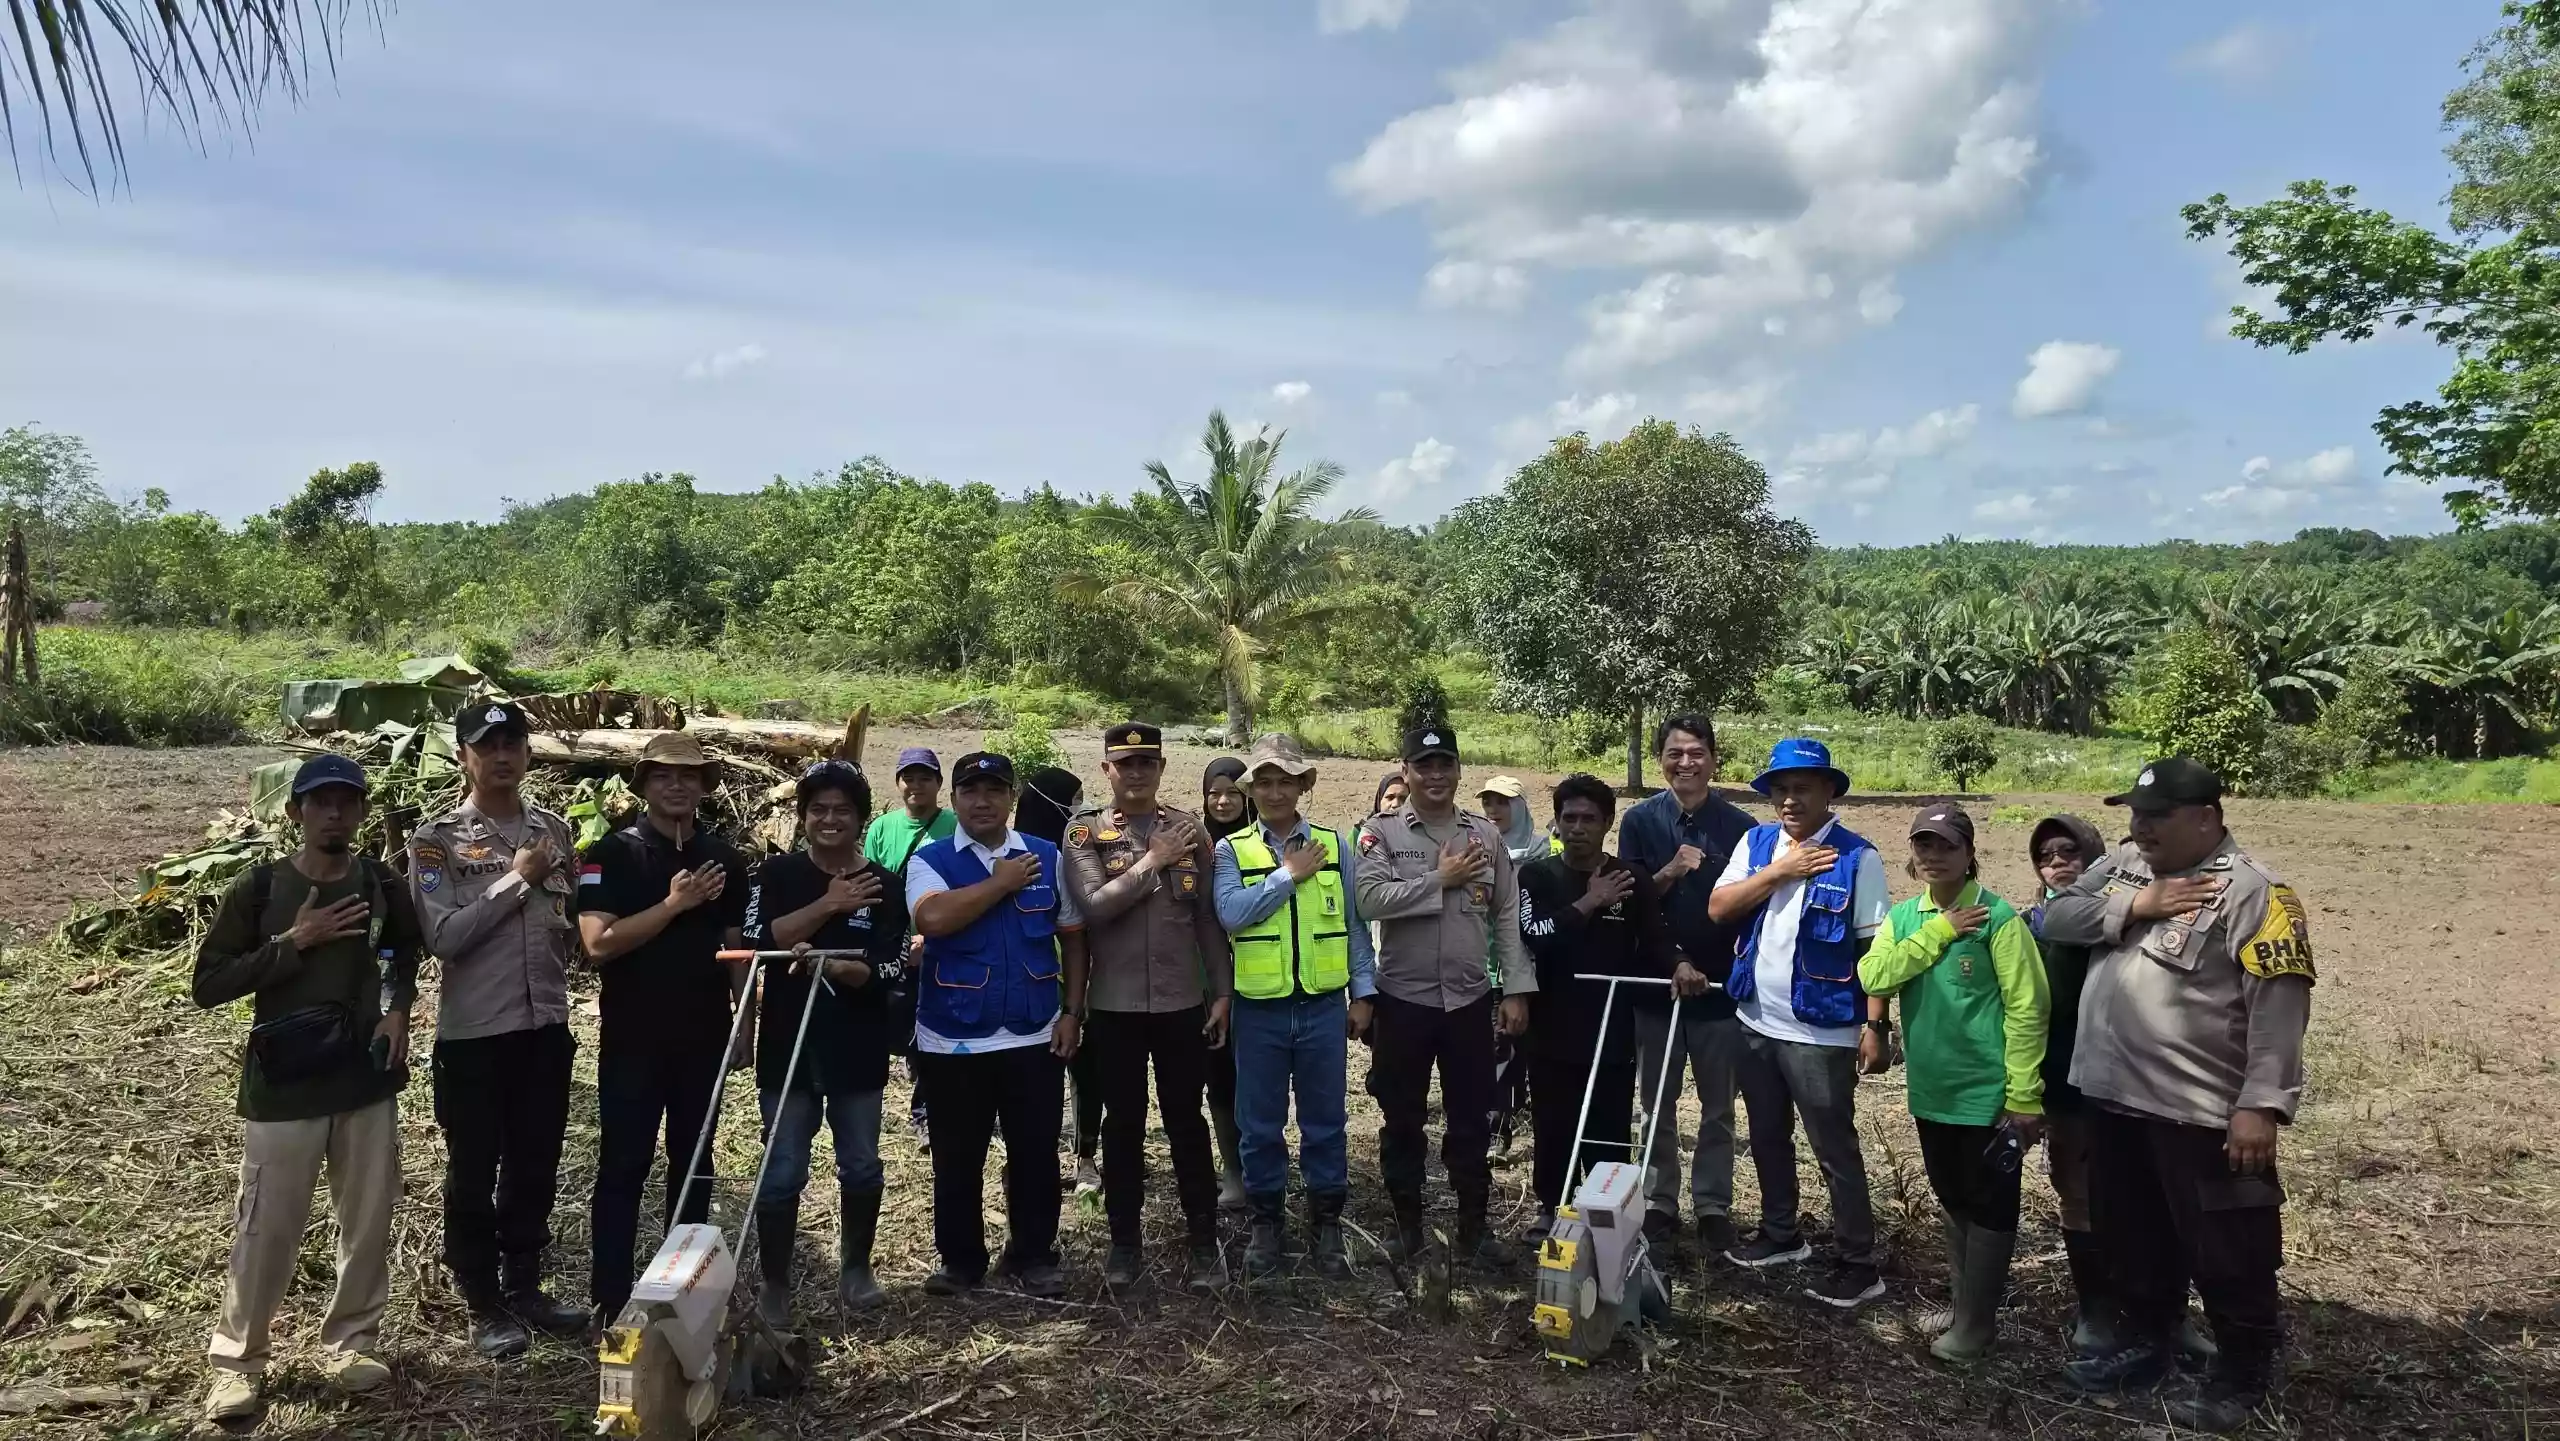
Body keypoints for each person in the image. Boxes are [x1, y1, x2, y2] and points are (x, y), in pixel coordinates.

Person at [2040, 758, 2313, 1432]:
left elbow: (2279, 1003)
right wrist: (2137, 905)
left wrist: (2261, 1102)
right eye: (2135, 814)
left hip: (2200, 1110)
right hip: (2113, 1097)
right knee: (2131, 1235)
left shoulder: (2254, 892)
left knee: (2230, 1249)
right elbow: (2057, 916)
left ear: (2206, 817)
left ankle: (2242, 1372)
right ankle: (2148, 1342)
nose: (2139, 827)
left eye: (2156, 816)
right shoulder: (2127, 865)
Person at [193, 755, 420, 1422]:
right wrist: (294, 941)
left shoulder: (381, 880)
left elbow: (403, 951)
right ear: (295, 812)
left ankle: (352, 1341)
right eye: (320, 802)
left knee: (368, 1219)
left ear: (359, 811)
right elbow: (208, 982)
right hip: (285, 1087)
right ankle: (238, 1360)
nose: (335, 813)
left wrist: (398, 1007)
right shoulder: (261, 888)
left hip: (366, 1079)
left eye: (347, 802)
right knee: (265, 1227)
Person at [409, 700, 589, 1359]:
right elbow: (442, 936)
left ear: (528, 752)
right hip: (476, 1036)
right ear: (464, 755)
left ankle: (525, 1285)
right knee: (473, 1168)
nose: (502, 754)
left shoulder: (555, 831)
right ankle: (482, 1298)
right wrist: (515, 880)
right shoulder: (437, 839)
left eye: (513, 741)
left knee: (535, 1164)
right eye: (487, 745)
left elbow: (564, 919)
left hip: (544, 1026)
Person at [1857, 804, 2049, 1362]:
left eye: (1946, 846)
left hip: (1987, 1092)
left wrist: (2023, 1096)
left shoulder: (1997, 918)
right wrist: (1940, 930)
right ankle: (1968, 1310)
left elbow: (2028, 1007)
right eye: (1925, 845)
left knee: (1988, 1204)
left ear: (1970, 854)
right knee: (1952, 1197)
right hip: (1932, 1089)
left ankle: (1977, 1326)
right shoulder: (1907, 917)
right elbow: (1874, 974)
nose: (1934, 856)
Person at [1706, 736, 1890, 1307]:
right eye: (1780, 789)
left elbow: (1874, 952)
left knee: (1833, 1148)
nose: (1789, 800)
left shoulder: (1859, 857)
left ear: (1828, 792)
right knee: (1766, 1135)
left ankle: (1858, 1262)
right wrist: (1781, 870)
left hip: (1821, 1031)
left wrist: (1876, 1025)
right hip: (1756, 1020)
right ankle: (1781, 1234)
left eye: (1802, 789)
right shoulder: (1757, 843)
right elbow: (1720, 908)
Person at [578, 732, 754, 1322]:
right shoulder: (614, 853)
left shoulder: (725, 858)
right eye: (662, 776)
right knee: (624, 1164)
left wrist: (744, 1026)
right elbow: (598, 944)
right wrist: (674, 905)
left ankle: (687, 1297)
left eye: (688, 777)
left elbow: (737, 951)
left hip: (703, 1036)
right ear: (644, 784)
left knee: (694, 1164)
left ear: (704, 786)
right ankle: (611, 1298)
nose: (676, 786)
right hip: (633, 1037)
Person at [909, 752, 1090, 1298]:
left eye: (994, 790)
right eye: (970, 791)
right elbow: (933, 918)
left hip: (1034, 1032)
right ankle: (961, 1261)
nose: (982, 801)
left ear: (1011, 798)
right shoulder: (931, 859)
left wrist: (1072, 1013)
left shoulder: (1046, 855)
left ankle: (1034, 1254)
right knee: (957, 1155)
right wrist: (1001, 882)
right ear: (954, 799)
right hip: (952, 1037)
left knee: (1035, 1152)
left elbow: (1073, 936)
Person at [1061, 723, 1234, 1292]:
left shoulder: (1190, 830)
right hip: (1115, 1009)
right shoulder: (1085, 833)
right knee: (1124, 1126)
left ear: (1160, 769)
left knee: (1188, 1122)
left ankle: (1205, 1243)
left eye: (1146, 763)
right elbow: (1093, 908)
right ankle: (1124, 1244)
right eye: (1124, 763)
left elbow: (1206, 919)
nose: (1136, 773)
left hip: (1184, 1002)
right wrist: (1152, 862)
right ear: (1107, 770)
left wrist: (1223, 992)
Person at [1355, 723, 1535, 1267]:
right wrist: (1441, 879)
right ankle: (1407, 1227)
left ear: (1457, 770)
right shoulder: (1380, 832)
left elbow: (1506, 914)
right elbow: (1368, 899)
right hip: (1403, 1002)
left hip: (1468, 1002)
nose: (1435, 775)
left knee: (1470, 1118)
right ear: (1405, 771)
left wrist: (1515, 988)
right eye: (1423, 766)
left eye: (1445, 765)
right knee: (1402, 1117)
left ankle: (1473, 1230)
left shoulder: (1485, 835)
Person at [740, 760, 909, 1323]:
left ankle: (856, 1268)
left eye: (842, 810)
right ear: (803, 817)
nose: (829, 820)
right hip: (788, 1044)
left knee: (860, 1161)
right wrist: (830, 905)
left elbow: (891, 968)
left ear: (862, 818)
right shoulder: (777, 874)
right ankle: (775, 1283)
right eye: (818, 810)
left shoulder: (886, 885)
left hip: (856, 1044)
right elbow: (761, 938)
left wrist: (839, 969)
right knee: (783, 1165)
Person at [1211, 733, 1378, 1278]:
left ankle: (1327, 1222)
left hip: (1323, 1006)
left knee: (1326, 1120)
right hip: (1258, 1009)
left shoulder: (1334, 844)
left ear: (1303, 785)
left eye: (1286, 780)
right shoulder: (1230, 850)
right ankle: (1266, 1223)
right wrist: (1288, 875)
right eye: (1265, 781)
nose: (1276, 791)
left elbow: (1354, 926)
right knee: (1258, 1123)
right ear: (1251, 790)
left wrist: (1363, 992)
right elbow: (1232, 914)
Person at [1613, 713, 1758, 1256]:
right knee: (1657, 1104)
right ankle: (1659, 1202)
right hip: (1656, 985)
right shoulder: (1639, 822)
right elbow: (1627, 899)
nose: (1686, 763)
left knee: (1719, 1106)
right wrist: (1670, 870)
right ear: (1662, 761)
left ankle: (1714, 1205)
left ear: (1714, 758)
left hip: (1720, 992)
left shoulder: (1743, 827)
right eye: (1675, 753)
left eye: (1696, 752)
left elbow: (1748, 907)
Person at [1516, 774, 1674, 1242]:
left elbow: (1657, 940)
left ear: (1608, 822)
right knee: (1553, 1122)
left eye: (1589, 818)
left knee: (1608, 1128)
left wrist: (1680, 965)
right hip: (1550, 1026)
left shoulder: (1632, 878)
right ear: (1558, 825)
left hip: (1612, 1031)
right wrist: (1589, 902)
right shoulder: (1537, 876)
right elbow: (1534, 937)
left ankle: (1607, 1214)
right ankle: (1551, 1207)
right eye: (1570, 818)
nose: (1579, 827)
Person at [2025, 811, 2118, 1356]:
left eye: (2068, 853)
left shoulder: (2125, 916)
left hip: (2131, 1081)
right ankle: (2096, 1311)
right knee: (2079, 1196)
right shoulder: (2029, 925)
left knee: (2148, 1197)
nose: (2056, 864)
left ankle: (2168, 1310)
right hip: (2062, 1081)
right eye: (2044, 856)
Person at [1015, 766, 1104, 1198]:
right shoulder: (1018, 858)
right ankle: (1039, 1162)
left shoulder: (1078, 851)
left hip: (1077, 984)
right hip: (1031, 990)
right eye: (1073, 799)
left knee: (1087, 1074)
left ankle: (1086, 1159)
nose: (1080, 807)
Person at [866, 747, 958, 1152]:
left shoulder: (957, 825)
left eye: (925, 777)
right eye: (908, 777)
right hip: (894, 948)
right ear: (898, 783)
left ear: (939, 784)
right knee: (899, 1029)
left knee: (930, 1031)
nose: (915, 785)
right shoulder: (882, 828)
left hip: (945, 945)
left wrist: (933, 936)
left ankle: (926, 1115)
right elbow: (871, 889)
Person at [1199, 756, 1254, 1211]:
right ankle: (1233, 1171)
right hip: (1207, 983)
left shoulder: (1262, 843)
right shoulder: (1192, 845)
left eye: (1233, 793)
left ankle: (1263, 1164)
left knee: (1259, 1078)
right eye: (1214, 793)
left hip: (1260, 978)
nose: (1222, 801)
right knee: (1220, 1078)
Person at [1477, 775, 1556, 863]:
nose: (1492, 810)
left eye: (1502, 802)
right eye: (1487, 803)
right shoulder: (1477, 850)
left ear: (1519, 808)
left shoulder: (1545, 851)